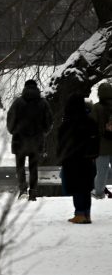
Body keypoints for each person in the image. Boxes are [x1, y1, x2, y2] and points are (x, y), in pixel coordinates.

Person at [6, 79, 52, 201]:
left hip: (19, 140)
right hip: (36, 141)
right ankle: (33, 192)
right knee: (33, 168)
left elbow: (10, 119)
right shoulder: (43, 103)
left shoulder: (18, 102)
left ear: (25, 88)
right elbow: (49, 121)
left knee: (20, 167)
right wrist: (43, 133)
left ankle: (22, 190)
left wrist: (13, 131)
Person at [57, 94, 99, 224]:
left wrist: (62, 156)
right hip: (88, 159)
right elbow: (96, 139)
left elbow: (62, 142)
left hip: (73, 159)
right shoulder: (90, 121)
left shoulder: (68, 123)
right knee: (86, 187)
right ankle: (87, 214)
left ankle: (79, 214)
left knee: (77, 187)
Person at [90, 83, 112, 199]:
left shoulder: (96, 107)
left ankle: (99, 193)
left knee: (102, 171)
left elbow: (91, 126)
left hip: (102, 146)